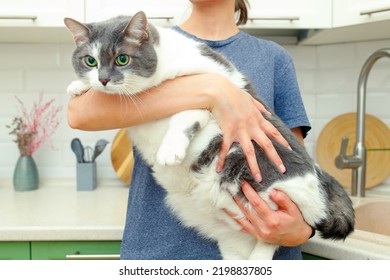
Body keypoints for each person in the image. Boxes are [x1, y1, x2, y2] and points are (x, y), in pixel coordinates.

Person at [67, 0, 313, 260]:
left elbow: (295, 165)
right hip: (163, 252)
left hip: (258, 249)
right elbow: (80, 113)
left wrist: (301, 230)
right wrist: (214, 91)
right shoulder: (155, 45)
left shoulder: (273, 59)